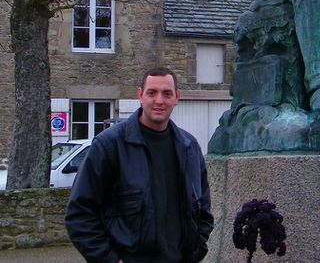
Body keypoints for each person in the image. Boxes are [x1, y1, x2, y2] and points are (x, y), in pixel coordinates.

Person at [65, 67, 213, 263]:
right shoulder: (109, 146)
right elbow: (79, 214)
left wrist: (195, 251)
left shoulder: (190, 148)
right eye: (152, 93)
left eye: (167, 94)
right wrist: (109, 260)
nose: (159, 101)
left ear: (177, 97)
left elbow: (202, 210)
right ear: (140, 95)